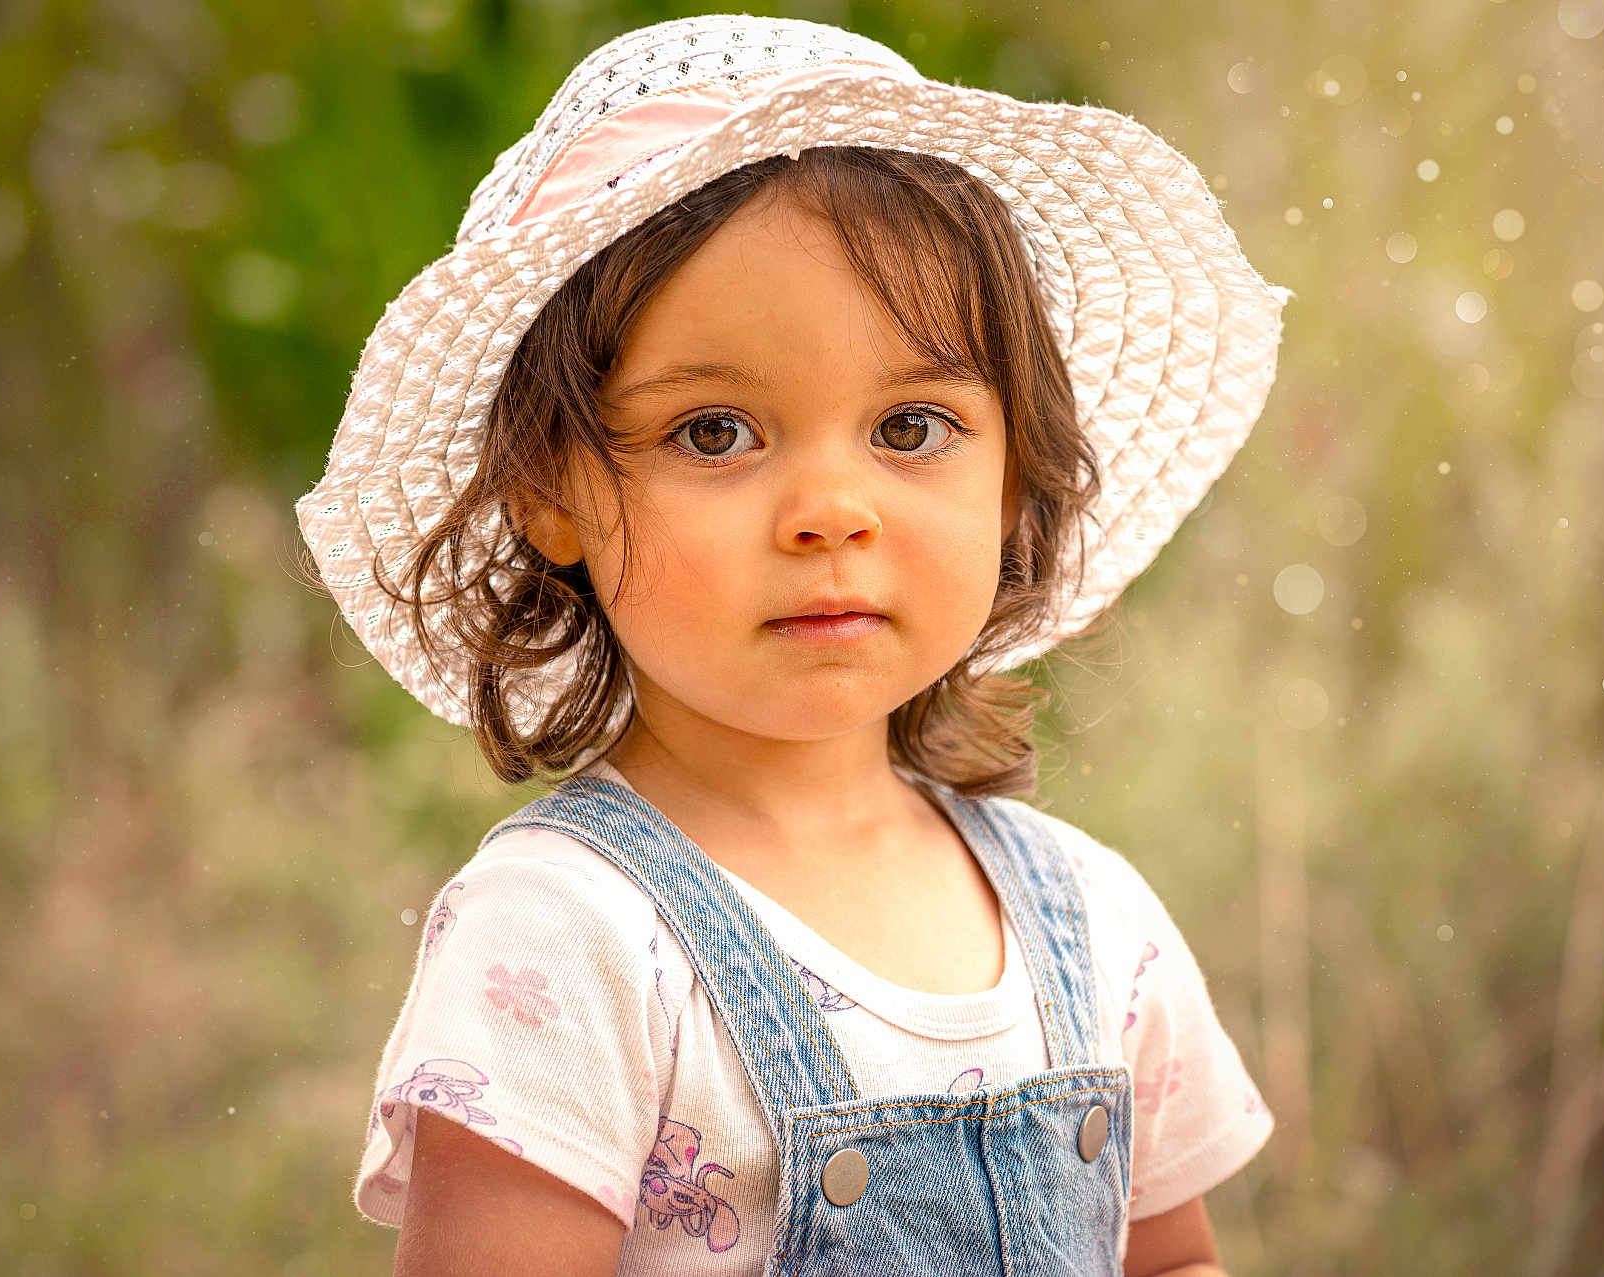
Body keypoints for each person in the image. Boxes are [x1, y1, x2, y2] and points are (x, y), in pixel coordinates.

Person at [296, 14, 1290, 1275]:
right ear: (551, 489)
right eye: (715, 432)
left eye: (913, 426)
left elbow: (1169, 1259)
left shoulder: (1093, 920)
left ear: (1015, 474)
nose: (833, 509)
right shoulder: (569, 933)